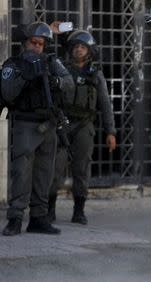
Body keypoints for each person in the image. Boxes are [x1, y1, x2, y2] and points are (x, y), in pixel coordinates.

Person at [1, 22, 74, 236]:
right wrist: (26, 75)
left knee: (44, 174)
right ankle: (15, 218)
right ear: (25, 43)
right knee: (21, 173)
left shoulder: (51, 62)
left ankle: (38, 218)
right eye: (34, 42)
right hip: (25, 124)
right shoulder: (14, 64)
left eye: (41, 44)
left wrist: (55, 81)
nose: (37, 47)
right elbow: (7, 93)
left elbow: (69, 83)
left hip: (48, 125)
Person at [48, 24, 117, 224]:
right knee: (55, 167)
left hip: (84, 127)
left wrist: (110, 131)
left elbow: (105, 104)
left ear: (89, 51)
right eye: (75, 46)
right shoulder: (62, 70)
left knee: (81, 168)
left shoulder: (95, 74)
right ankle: (49, 210)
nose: (78, 49)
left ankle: (79, 211)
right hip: (62, 125)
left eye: (83, 47)